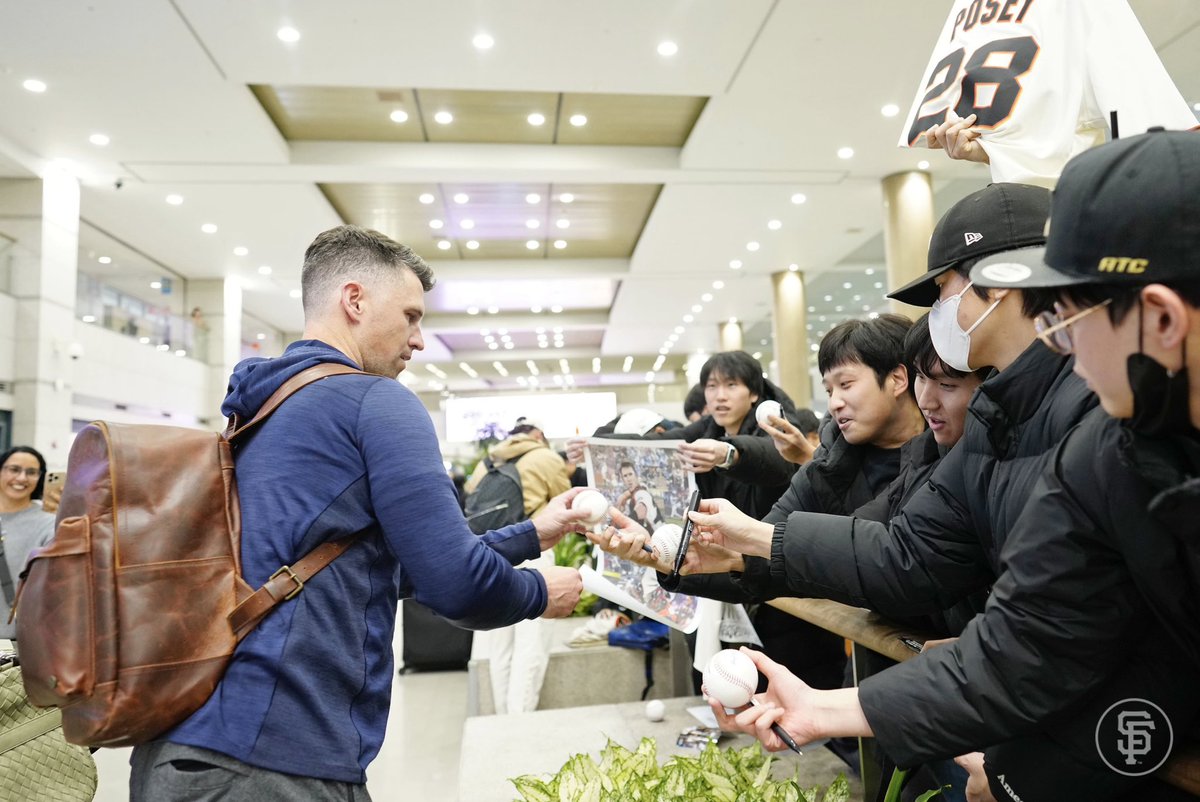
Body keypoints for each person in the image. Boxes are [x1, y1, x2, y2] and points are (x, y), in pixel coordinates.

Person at [700, 141, 1200, 801]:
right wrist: (826, 710)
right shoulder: (1106, 449)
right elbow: (1031, 637)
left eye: (1068, 317)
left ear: (1161, 320)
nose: (1062, 347)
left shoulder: (1093, 430)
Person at [129, 225, 586, 800]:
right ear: (354, 300)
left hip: (182, 747)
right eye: (412, 316)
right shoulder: (376, 401)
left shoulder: (261, 409)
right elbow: (457, 585)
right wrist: (540, 594)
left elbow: (374, 571)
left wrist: (531, 534)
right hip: (276, 758)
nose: (419, 339)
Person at [465, 415, 570, 713]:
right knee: (531, 644)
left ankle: (502, 718)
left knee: (501, 645)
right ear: (538, 435)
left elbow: (470, 505)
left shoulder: (488, 462)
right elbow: (566, 505)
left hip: (491, 552)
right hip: (533, 547)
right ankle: (520, 719)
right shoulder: (545, 456)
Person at [0, 446, 55, 643]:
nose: (22, 478)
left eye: (31, 472)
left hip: (17, 645)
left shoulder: (49, 523)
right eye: (14, 469)